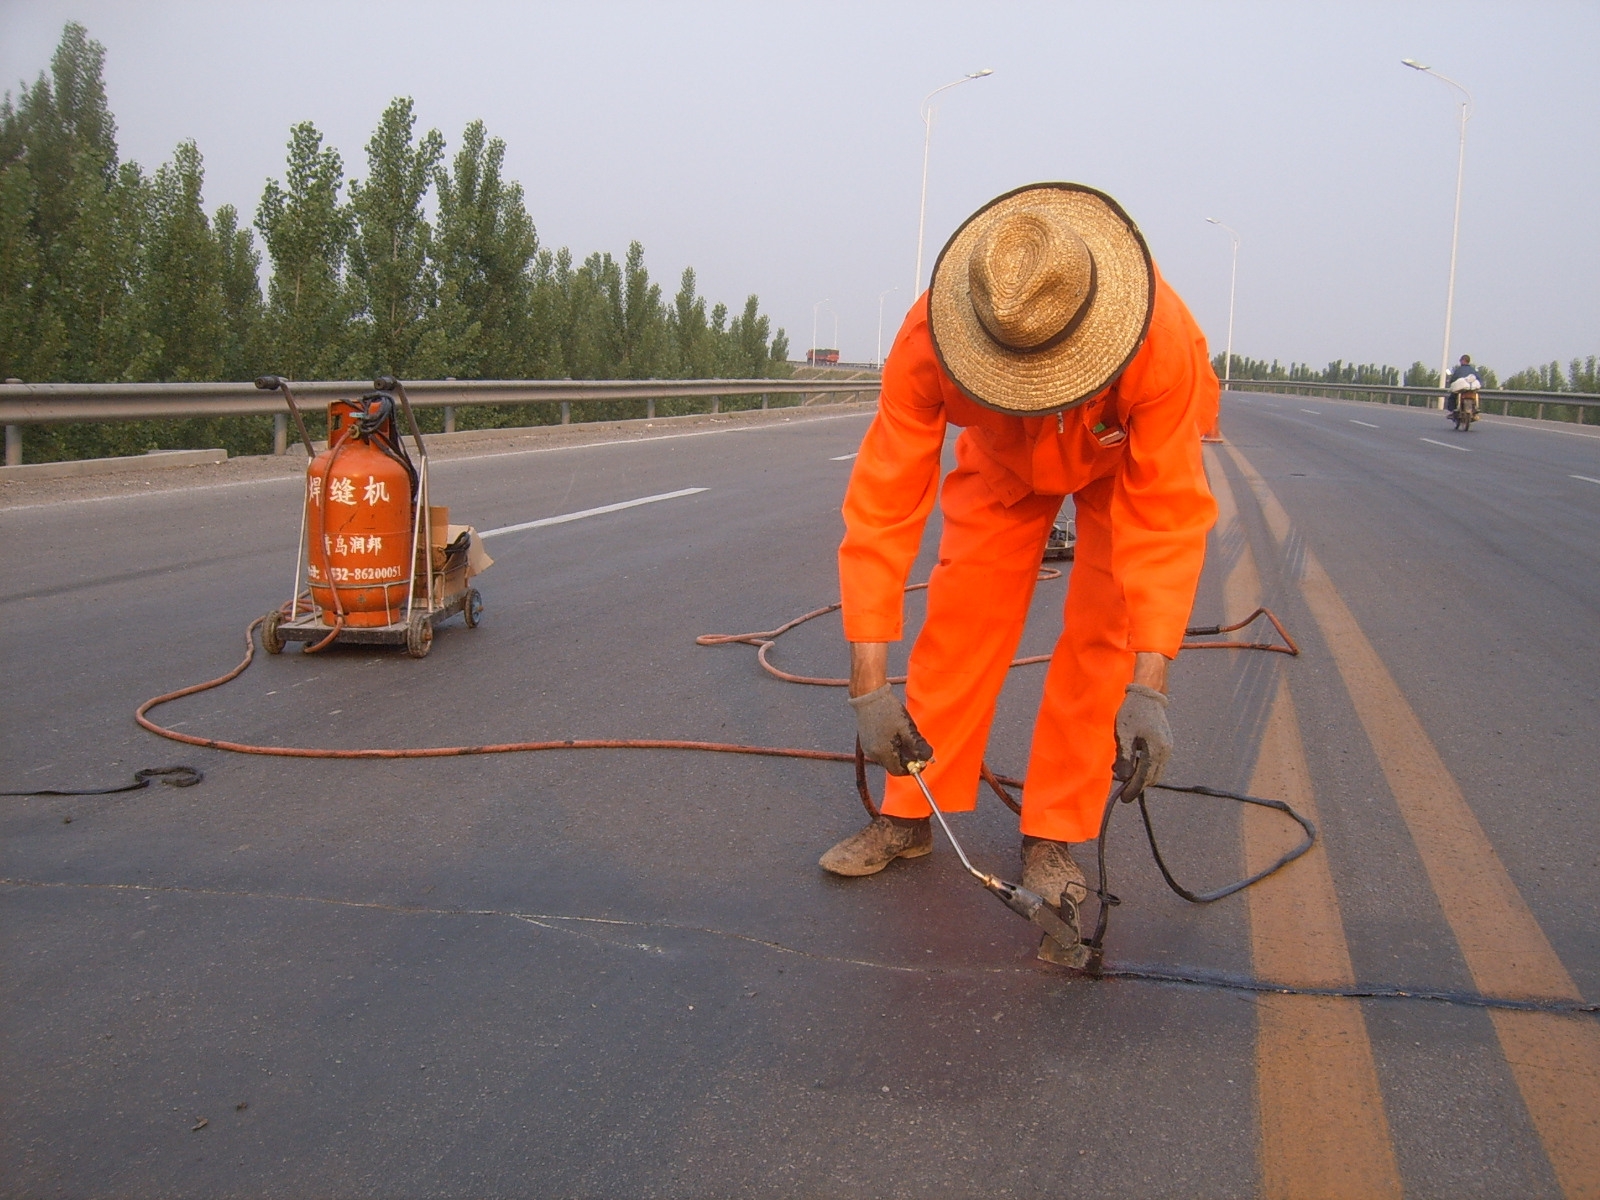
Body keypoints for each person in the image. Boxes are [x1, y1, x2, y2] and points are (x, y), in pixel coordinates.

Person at [820, 183, 1219, 945]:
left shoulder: (1161, 341)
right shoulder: (929, 337)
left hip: (1116, 456)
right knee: (961, 616)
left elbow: (1167, 521)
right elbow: (882, 503)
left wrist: (1152, 684)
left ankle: (1054, 834)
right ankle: (911, 813)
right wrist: (867, 680)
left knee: (1103, 630)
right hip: (1002, 457)